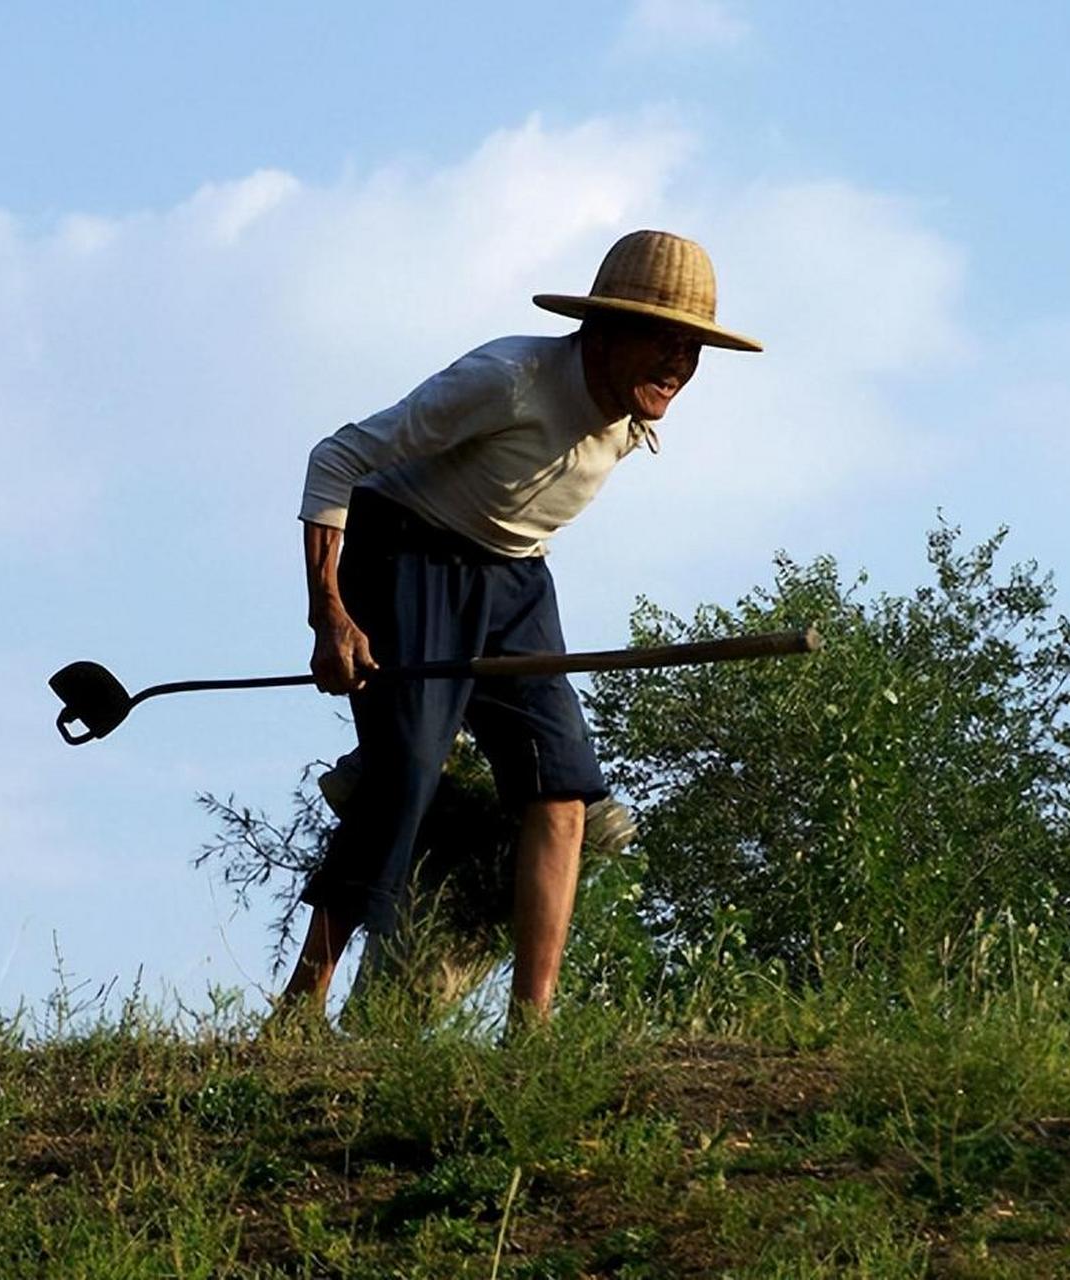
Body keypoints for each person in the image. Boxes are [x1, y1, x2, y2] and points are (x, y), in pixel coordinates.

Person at [281, 229, 761, 1025]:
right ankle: (300, 1009)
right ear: (601, 331)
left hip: (515, 579)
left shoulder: (638, 410)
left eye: (691, 349)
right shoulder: (505, 380)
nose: (676, 366)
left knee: (563, 792)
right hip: (407, 551)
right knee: (406, 777)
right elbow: (335, 460)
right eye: (660, 341)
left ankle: (531, 1028)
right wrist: (329, 615)